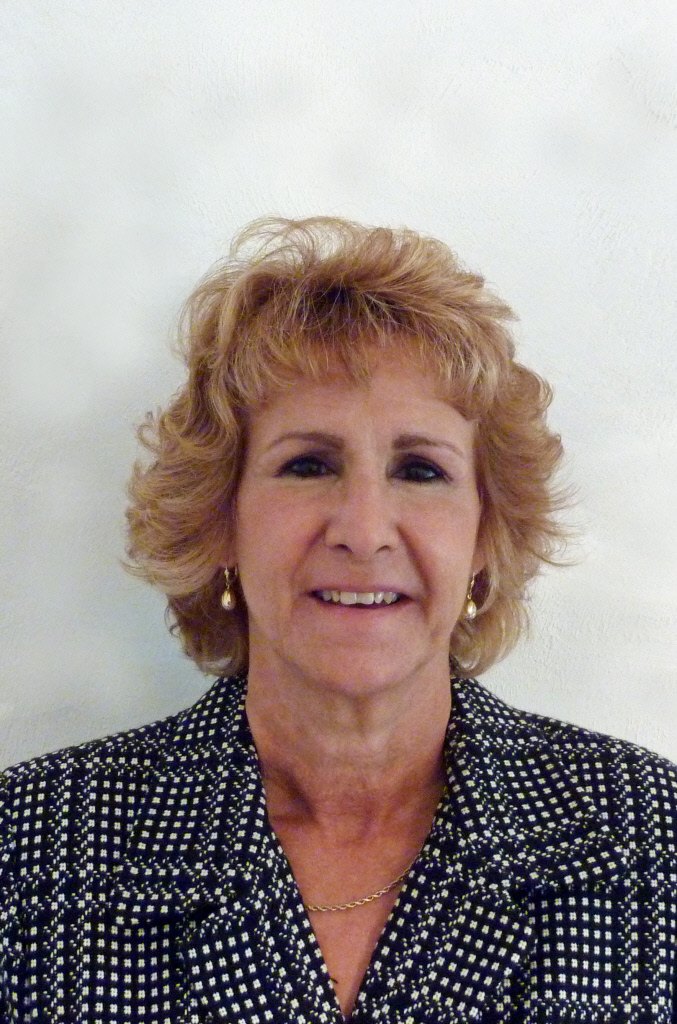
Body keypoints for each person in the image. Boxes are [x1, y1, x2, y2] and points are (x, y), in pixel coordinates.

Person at [0, 217, 675, 1024]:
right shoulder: (33, 846)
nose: (363, 529)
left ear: (485, 536)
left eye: (419, 470)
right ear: (220, 519)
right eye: (308, 465)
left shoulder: (648, 835)